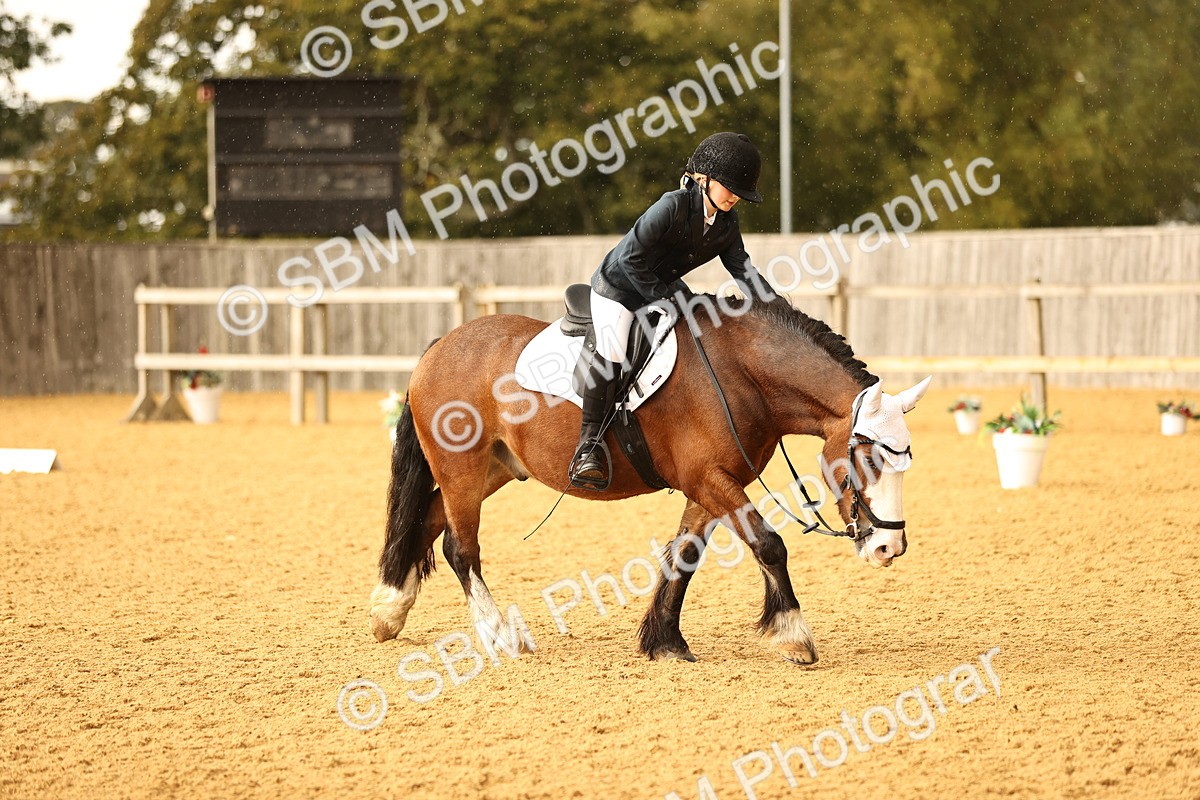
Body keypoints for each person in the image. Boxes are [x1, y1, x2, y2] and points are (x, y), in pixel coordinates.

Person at [568, 131, 779, 490]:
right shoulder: (672, 206)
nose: (734, 198)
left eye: (740, 193)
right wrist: (665, 298)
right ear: (704, 179)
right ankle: (588, 445)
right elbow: (630, 260)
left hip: (661, 286)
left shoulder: (727, 222)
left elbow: (742, 269)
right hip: (618, 288)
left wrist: (774, 308)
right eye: (729, 188)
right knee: (613, 351)